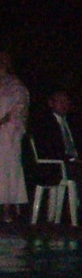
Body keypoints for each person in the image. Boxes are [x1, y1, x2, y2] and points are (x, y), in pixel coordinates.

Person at [28, 90, 82, 222]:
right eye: (60, 101)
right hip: (57, 165)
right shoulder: (44, 124)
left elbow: (81, 146)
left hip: (75, 164)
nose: (64, 105)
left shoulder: (73, 122)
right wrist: (72, 160)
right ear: (51, 103)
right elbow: (48, 149)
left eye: (66, 102)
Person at [0, 52, 30, 222]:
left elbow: (19, 110)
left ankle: (7, 208)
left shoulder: (15, 85)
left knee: (7, 170)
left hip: (7, 135)